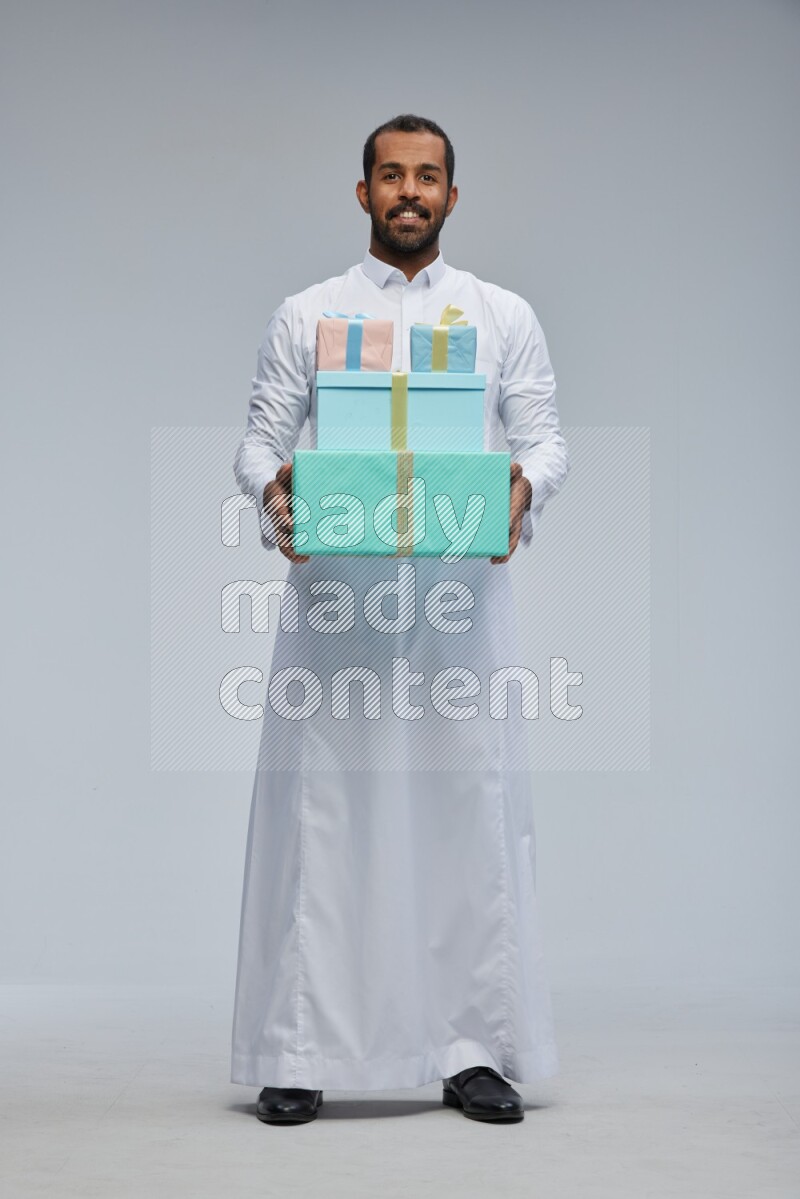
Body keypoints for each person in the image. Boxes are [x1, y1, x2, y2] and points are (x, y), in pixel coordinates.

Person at [231, 113, 569, 1125]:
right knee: (321, 811)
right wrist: (277, 494)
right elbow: (257, 442)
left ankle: (471, 1047)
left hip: (457, 603)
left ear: (452, 197)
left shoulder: (499, 313)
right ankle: (296, 1047)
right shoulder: (308, 313)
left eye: (427, 177)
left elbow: (545, 439)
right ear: (363, 191)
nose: (408, 191)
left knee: (465, 806)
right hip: (337, 598)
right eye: (390, 175)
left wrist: (518, 488)